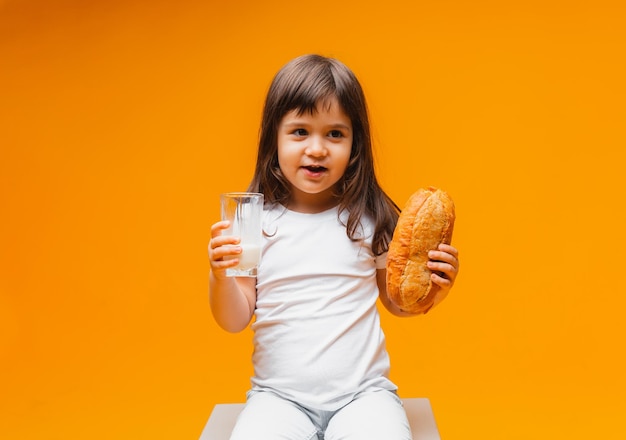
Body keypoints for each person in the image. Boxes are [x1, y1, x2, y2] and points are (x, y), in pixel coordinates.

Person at [208, 54, 460, 440]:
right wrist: (220, 275)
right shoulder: (253, 221)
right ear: (273, 138)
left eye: (335, 134)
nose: (317, 148)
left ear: (355, 144)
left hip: (363, 396)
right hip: (278, 398)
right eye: (299, 132)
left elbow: (396, 303)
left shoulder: (369, 217)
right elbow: (235, 319)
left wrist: (434, 291)